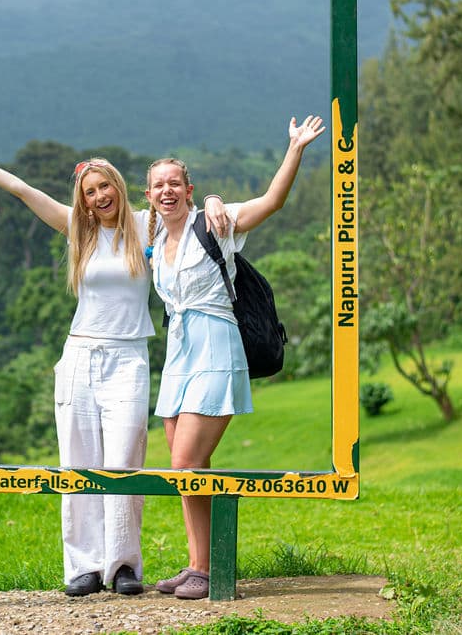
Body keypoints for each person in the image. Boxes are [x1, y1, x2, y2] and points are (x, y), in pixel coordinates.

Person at [0, 137, 226, 597]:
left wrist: (210, 197)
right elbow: (23, 191)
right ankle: (84, 566)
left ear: (121, 189)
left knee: (125, 461)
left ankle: (123, 566)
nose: (99, 196)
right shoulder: (78, 230)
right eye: (90, 191)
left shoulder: (146, 226)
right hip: (80, 357)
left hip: (128, 357)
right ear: (82, 200)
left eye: (105, 187)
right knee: (78, 461)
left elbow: (185, 207)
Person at [143, 115, 326, 600]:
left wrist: (295, 149)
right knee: (186, 469)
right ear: (149, 195)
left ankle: (209, 567)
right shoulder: (155, 241)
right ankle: (198, 565)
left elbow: (272, 202)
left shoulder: (215, 223)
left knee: (187, 460)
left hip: (217, 346)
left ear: (189, 188)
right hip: (179, 353)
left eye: (175, 184)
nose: (167, 191)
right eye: (158, 185)